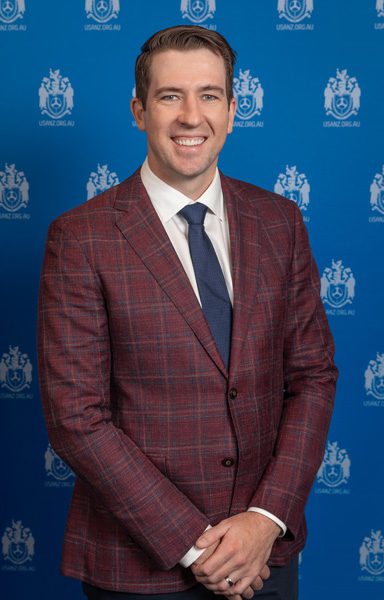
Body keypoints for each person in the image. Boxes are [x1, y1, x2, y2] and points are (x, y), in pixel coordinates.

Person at [37, 25, 338, 600]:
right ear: (139, 110)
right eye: (170, 96)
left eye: (209, 95)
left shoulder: (280, 221)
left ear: (232, 110)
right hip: (139, 566)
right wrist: (198, 547)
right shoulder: (81, 238)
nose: (190, 116)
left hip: (264, 560)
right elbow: (77, 418)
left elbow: (312, 377)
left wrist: (264, 521)